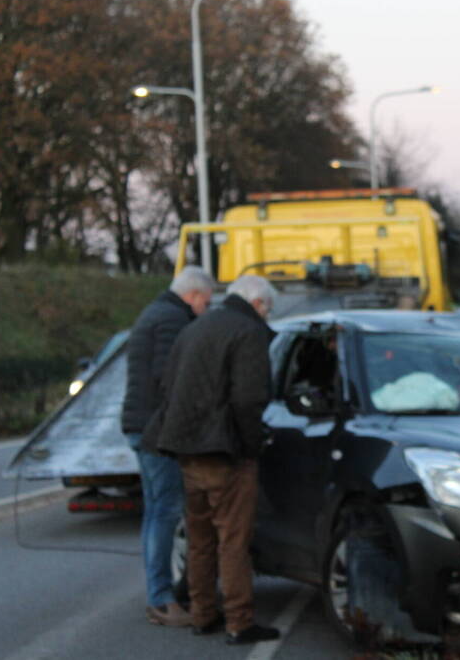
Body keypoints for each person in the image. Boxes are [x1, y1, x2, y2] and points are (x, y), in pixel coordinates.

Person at [144, 274, 278, 645]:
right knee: (233, 540)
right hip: (225, 453)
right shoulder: (248, 332)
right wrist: (251, 447)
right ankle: (240, 621)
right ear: (258, 304)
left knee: (200, 539)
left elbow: (167, 386)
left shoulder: (195, 328)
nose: (268, 316)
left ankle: (203, 614)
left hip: (186, 452)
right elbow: (250, 399)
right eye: (268, 308)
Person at [121, 266, 214, 627]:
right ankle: (161, 598)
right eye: (205, 302)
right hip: (157, 430)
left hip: (141, 426)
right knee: (166, 510)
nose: (204, 309)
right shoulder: (173, 319)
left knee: (154, 511)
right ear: (193, 296)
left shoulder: (154, 312)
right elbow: (170, 377)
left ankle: (157, 593)